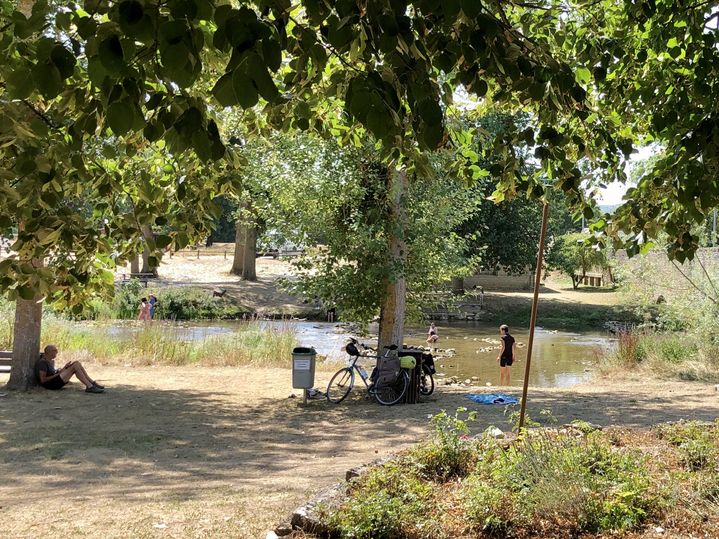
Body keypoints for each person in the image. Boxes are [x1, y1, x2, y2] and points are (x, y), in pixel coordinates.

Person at [35, 345, 105, 393]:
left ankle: (91, 383)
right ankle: (90, 386)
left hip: (56, 380)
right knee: (75, 366)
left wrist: (63, 369)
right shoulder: (42, 363)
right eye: (55, 350)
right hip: (51, 385)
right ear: (49, 352)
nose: (57, 352)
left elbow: (52, 372)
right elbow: (43, 380)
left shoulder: (51, 361)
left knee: (76, 363)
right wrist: (58, 374)